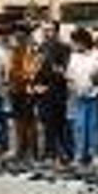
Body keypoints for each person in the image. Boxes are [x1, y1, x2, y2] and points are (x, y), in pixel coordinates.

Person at [65, 28, 98, 169]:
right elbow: (69, 76)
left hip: (94, 95)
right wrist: (72, 87)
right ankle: (80, 155)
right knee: (80, 126)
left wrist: (96, 78)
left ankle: (95, 154)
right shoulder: (74, 56)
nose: (74, 45)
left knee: (94, 126)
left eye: (75, 42)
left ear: (83, 42)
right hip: (79, 96)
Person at [34, 21, 71, 168]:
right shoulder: (41, 47)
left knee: (57, 124)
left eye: (49, 30)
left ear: (56, 32)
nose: (46, 33)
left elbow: (64, 71)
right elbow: (36, 69)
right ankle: (49, 152)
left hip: (56, 91)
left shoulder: (64, 48)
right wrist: (36, 85)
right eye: (44, 30)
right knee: (45, 123)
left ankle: (61, 155)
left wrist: (56, 70)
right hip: (42, 92)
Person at [7, 29, 40, 161]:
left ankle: (33, 150)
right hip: (15, 90)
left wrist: (21, 76)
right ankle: (21, 148)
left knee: (29, 121)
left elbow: (32, 72)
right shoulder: (13, 53)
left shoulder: (30, 53)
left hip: (26, 90)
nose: (12, 42)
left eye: (14, 40)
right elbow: (9, 71)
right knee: (18, 121)